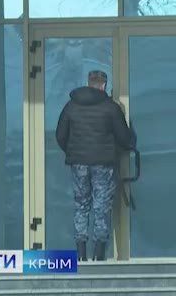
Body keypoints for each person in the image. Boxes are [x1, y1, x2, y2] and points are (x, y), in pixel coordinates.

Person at [55, 70, 133, 261]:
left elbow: (60, 135)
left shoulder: (71, 106)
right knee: (101, 207)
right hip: (103, 164)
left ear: (89, 83)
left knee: (81, 205)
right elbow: (125, 138)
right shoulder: (111, 108)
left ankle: (81, 254)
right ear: (104, 85)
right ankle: (99, 255)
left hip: (79, 164)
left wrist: (73, 152)